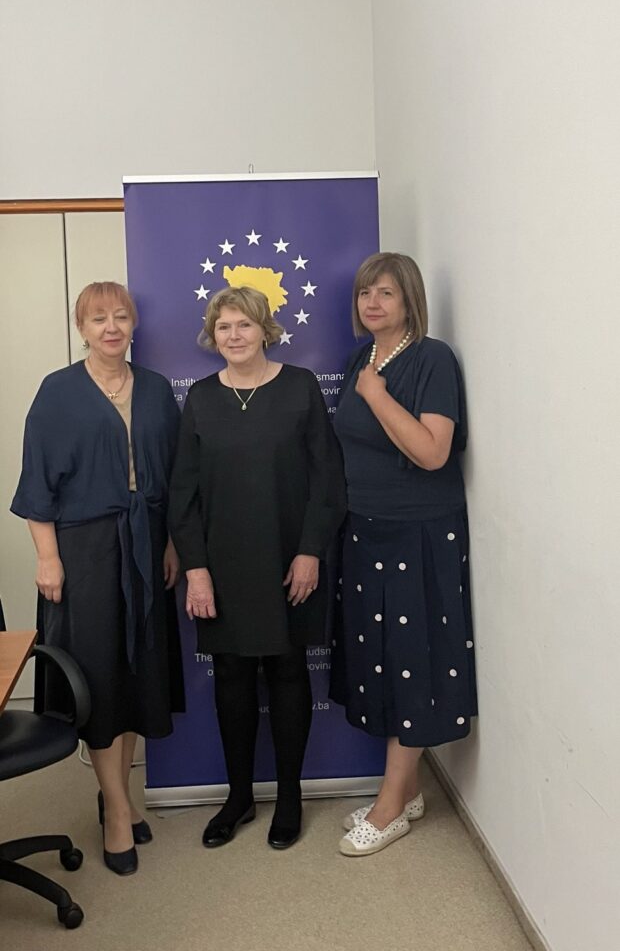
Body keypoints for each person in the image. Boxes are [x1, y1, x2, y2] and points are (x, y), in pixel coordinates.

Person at [11, 281, 184, 876]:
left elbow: (171, 480)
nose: (111, 327)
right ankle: (116, 810)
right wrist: (48, 557)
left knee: (137, 675)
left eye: (120, 316)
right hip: (81, 551)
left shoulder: (159, 391)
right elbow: (36, 485)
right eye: (98, 318)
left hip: (146, 546)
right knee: (100, 677)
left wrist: (168, 545)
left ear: (133, 324)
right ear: (81, 328)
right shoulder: (57, 394)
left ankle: (119, 794)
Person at [168, 285, 346, 850]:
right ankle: (239, 796)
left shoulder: (300, 389)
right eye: (224, 327)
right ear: (211, 335)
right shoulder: (199, 398)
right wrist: (195, 569)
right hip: (221, 570)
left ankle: (289, 797)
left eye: (244, 325)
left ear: (265, 329)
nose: (234, 336)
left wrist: (311, 550)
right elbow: (182, 495)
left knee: (290, 673)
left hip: (291, 562)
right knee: (234, 682)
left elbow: (327, 480)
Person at [330, 252, 477, 856]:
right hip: (366, 529)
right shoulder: (359, 358)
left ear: (408, 299)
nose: (372, 304)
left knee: (412, 658)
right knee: (382, 659)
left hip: (419, 534)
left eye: (385, 293)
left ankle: (390, 808)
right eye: (366, 293)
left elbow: (433, 452)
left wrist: (376, 395)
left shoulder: (432, 358)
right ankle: (408, 788)